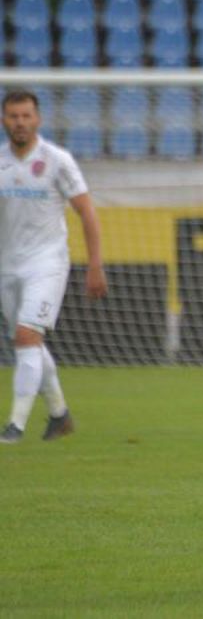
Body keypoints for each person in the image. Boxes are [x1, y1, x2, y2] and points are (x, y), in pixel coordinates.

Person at [1, 90, 107, 444]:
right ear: (4, 120)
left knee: (27, 336)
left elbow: (86, 212)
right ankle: (60, 415)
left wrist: (95, 265)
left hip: (47, 263)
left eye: (26, 115)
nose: (20, 122)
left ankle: (15, 426)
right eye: (13, 116)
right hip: (7, 265)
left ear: (38, 119)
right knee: (27, 342)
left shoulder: (57, 161)